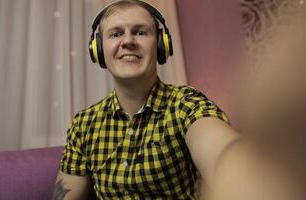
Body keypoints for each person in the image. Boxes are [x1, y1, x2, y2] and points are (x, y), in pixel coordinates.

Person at [52, 0, 239, 199]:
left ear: (160, 45)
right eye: (116, 34)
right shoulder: (84, 124)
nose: (127, 41)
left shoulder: (187, 106)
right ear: (98, 49)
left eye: (140, 32)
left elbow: (225, 158)